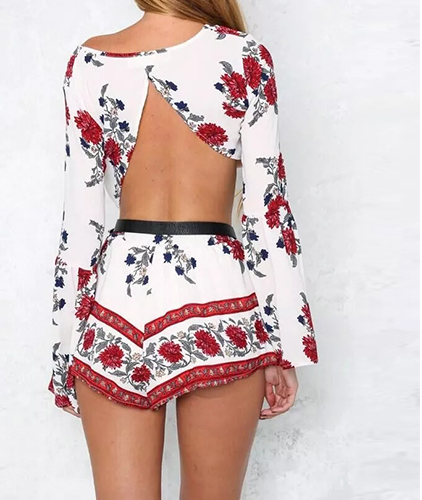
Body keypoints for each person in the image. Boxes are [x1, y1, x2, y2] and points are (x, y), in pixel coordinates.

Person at [48, 1, 319, 498]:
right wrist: (285, 344)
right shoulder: (244, 56)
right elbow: (268, 212)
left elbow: (80, 222)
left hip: (117, 308)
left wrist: (67, 347)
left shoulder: (89, 61)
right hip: (224, 304)